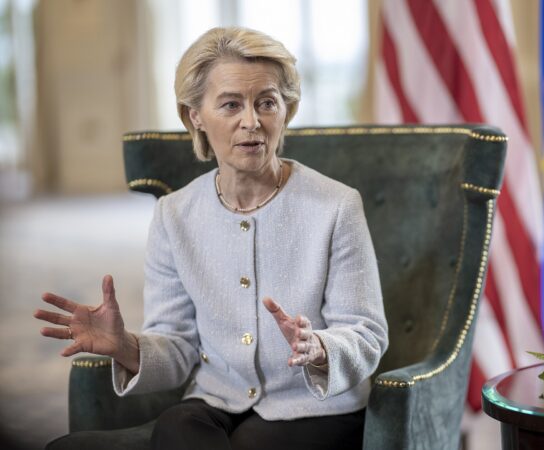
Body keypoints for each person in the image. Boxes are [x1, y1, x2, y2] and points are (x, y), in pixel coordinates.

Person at [34, 26, 388, 450]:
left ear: (286, 111)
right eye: (231, 104)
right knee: (176, 427)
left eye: (267, 103)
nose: (252, 121)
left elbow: (366, 333)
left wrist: (320, 347)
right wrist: (125, 346)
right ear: (194, 116)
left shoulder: (337, 206)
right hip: (217, 399)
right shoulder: (174, 215)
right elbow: (178, 345)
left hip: (316, 404)